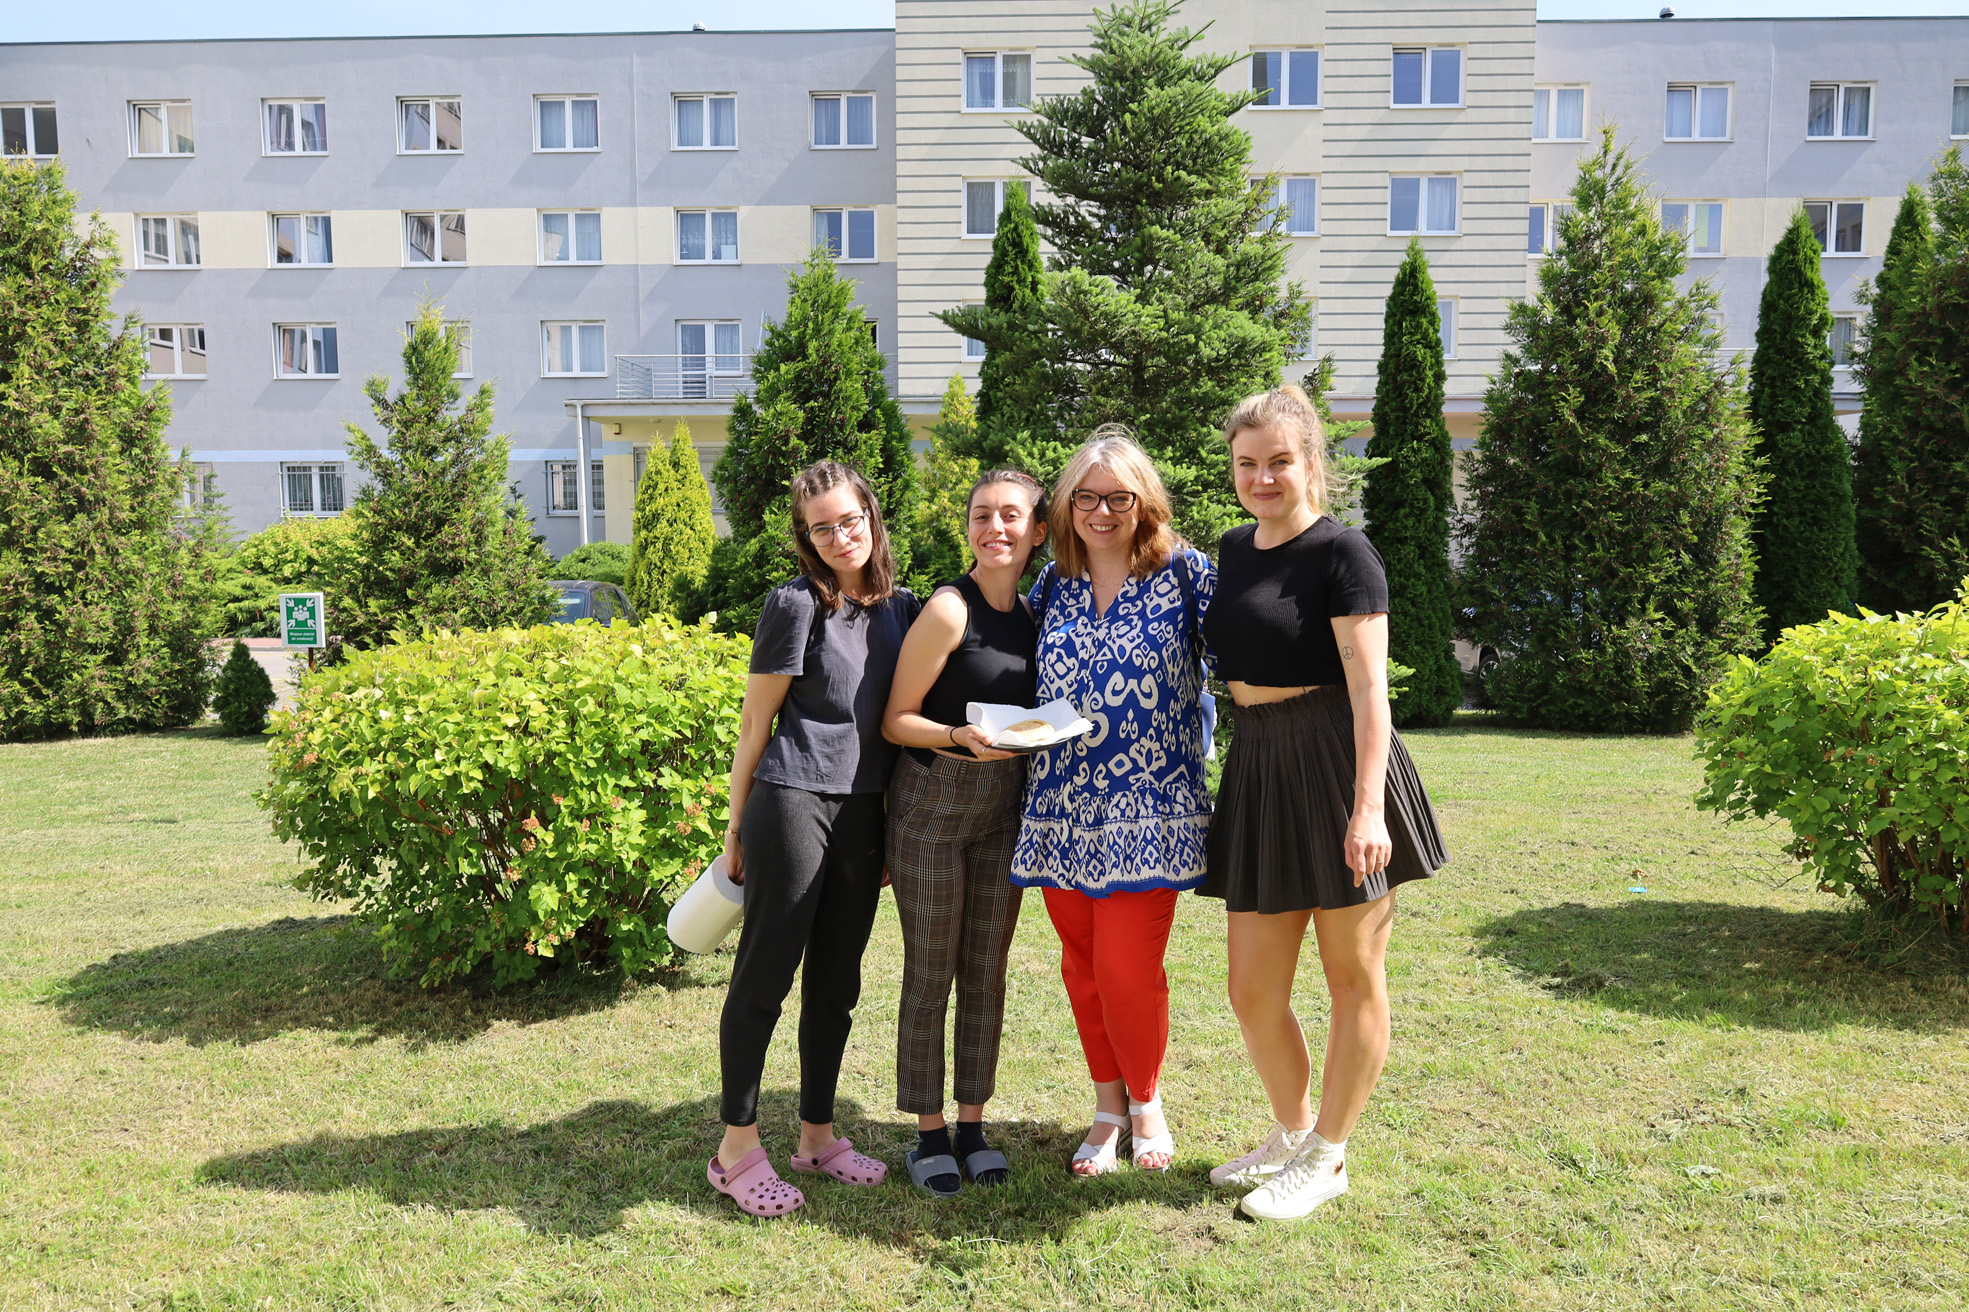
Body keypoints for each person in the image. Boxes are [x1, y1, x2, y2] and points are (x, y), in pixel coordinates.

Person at [1198, 385, 1448, 1221]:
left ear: (1310, 461)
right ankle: (1292, 1134)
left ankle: (1329, 1155)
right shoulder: (1234, 549)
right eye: (1246, 463)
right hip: (1258, 765)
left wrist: (1367, 808)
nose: (1261, 478)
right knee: (1251, 987)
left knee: (1351, 976)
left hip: (1336, 763)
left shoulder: (1345, 554)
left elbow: (1371, 690)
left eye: (1278, 461)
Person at [707, 461, 919, 1218]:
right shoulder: (795, 604)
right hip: (792, 800)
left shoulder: (903, 609)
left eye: (848, 520)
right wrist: (736, 825)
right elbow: (754, 723)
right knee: (766, 975)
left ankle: (816, 1137)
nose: (838, 537)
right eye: (820, 528)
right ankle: (735, 1150)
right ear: (805, 536)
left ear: (871, 515)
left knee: (837, 983)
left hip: (863, 814)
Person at [1014, 429, 1215, 1176]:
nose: (1101, 512)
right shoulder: (1053, 585)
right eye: (1086, 498)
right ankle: (1107, 1107)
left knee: (1129, 971)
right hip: (1059, 811)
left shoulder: (1185, 573)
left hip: (1150, 814)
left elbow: (1248, 651)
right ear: (1066, 506)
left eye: (1118, 497)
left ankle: (1147, 1101)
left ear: (1144, 502)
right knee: (1083, 969)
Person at [881, 471, 1050, 1198]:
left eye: (1011, 516)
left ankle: (973, 1126)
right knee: (930, 972)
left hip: (1002, 809)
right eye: (982, 515)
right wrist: (957, 736)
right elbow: (897, 719)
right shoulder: (950, 609)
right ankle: (928, 1133)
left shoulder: (1037, 613)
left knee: (986, 968)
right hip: (932, 806)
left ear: (1038, 531)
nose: (995, 528)